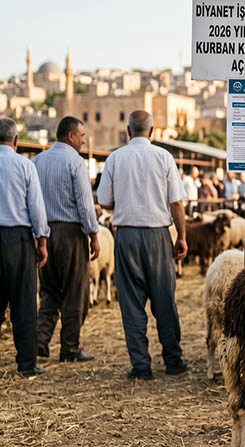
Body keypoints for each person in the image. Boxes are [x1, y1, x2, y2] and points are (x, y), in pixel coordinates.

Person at [97, 110, 188, 380]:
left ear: (128, 131)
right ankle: (173, 360)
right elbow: (176, 203)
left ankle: (141, 366)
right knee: (164, 301)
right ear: (152, 130)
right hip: (159, 235)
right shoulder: (164, 157)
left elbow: (104, 201)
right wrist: (181, 236)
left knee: (131, 303)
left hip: (126, 236)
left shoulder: (115, 158)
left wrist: (125, 199)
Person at [0, 118, 49, 380]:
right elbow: (37, 209)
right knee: (24, 303)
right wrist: (42, 242)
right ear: (16, 141)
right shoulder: (25, 166)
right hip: (19, 240)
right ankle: (26, 365)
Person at [34, 117, 100, 363]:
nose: (83, 140)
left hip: (44, 233)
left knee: (49, 290)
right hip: (70, 234)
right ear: (71, 136)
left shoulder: (38, 161)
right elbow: (84, 203)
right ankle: (69, 347)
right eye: (82, 135)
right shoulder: (75, 162)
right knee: (75, 291)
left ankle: (40, 341)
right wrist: (94, 235)